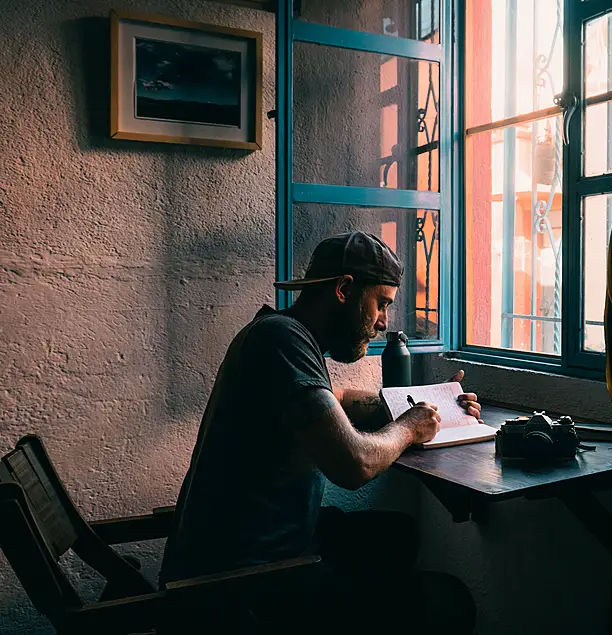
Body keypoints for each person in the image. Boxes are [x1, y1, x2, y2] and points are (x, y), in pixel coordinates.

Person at [159, 231, 478, 634]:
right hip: (241, 585)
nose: (383, 323)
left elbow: (335, 398)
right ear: (345, 289)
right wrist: (408, 429)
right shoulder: (282, 340)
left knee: (397, 534)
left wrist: (426, 403)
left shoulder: (282, 333)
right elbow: (354, 463)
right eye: (381, 304)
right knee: (447, 602)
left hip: (268, 545)